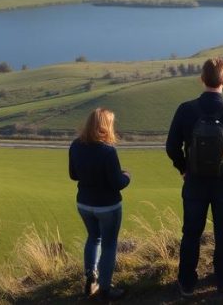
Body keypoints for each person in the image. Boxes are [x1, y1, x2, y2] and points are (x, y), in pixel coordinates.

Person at [166, 57, 223, 298]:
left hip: (194, 183)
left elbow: (171, 146)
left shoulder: (185, 110)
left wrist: (183, 168)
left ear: (201, 79)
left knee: (191, 232)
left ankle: (186, 281)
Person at [69, 107, 131, 301]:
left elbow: (73, 175)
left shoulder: (75, 145)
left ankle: (90, 278)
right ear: (106, 127)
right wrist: (127, 176)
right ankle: (105, 288)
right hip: (108, 206)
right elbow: (117, 184)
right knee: (109, 244)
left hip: (84, 204)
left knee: (93, 238)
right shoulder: (108, 151)